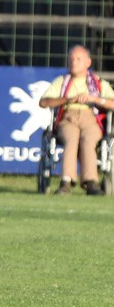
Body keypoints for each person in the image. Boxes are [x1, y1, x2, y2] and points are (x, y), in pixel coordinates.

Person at [39, 45, 114, 196]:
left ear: (88, 62)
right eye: (71, 59)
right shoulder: (61, 82)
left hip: (91, 118)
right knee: (71, 139)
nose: (74, 62)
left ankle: (91, 182)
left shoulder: (99, 83)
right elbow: (44, 102)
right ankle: (66, 181)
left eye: (78, 59)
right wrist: (67, 99)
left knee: (88, 140)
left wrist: (94, 99)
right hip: (68, 118)